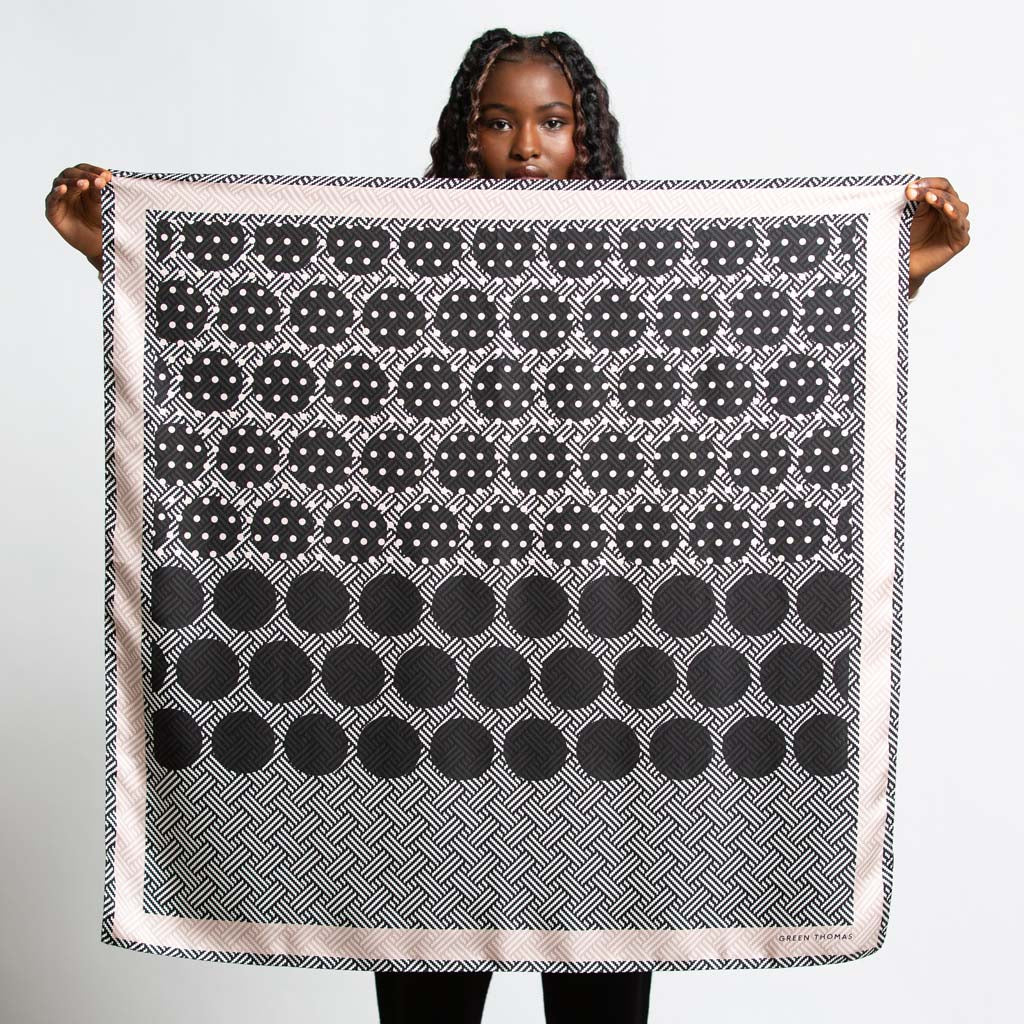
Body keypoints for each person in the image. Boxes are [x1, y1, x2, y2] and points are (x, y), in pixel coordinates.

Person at [43, 25, 972, 1024]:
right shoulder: (400, 279)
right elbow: (262, 335)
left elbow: (757, 355)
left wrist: (897, 269)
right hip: (430, 706)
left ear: (586, 136)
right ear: (464, 135)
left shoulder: (651, 283)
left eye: (552, 122)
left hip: (608, 714)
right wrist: (120, 251)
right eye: (498, 122)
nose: (526, 145)